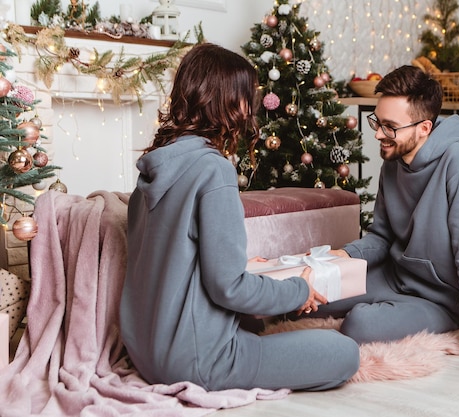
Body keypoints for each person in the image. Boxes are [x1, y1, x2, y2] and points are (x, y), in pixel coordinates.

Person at [119, 43, 360, 392]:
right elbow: (228, 288)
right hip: (197, 360)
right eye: (248, 97)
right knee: (344, 353)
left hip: (144, 352)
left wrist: (242, 264)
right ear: (228, 101)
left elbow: (172, 260)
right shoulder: (213, 170)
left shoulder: (155, 168)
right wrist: (298, 291)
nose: (251, 107)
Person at [315, 65, 459, 373]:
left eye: (389, 126)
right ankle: (386, 307)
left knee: (359, 324)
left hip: (440, 299)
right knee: (314, 298)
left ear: (424, 128)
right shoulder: (395, 158)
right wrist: (344, 255)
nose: (378, 134)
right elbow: (381, 235)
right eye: (377, 121)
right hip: (394, 276)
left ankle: (398, 314)